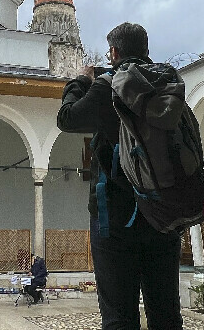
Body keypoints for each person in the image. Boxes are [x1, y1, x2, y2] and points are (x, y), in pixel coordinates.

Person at [56, 22, 182, 330]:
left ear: (113, 52)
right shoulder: (167, 83)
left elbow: (67, 118)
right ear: (146, 50)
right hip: (164, 213)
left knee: (119, 317)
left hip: (115, 218)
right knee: (166, 314)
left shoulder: (109, 85)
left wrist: (80, 81)